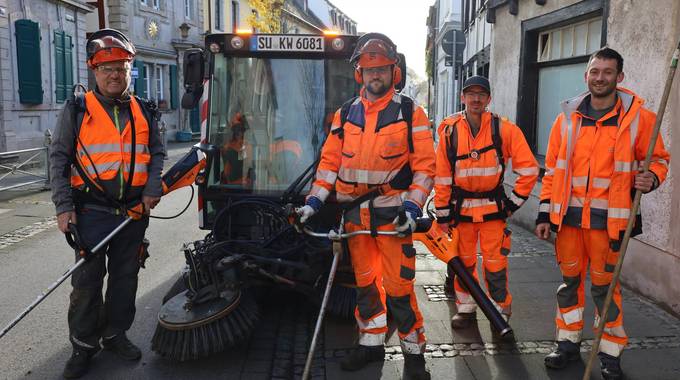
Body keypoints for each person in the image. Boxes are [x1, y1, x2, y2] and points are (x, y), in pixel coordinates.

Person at [297, 33, 435, 380]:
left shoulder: (410, 113)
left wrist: (414, 209)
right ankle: (370, 344)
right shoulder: (345, 115)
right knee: (367, 287)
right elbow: (328, 164)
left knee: (400, 291)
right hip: (355, 217)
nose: (375, 75)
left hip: (394, 217)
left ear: (394, 72)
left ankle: (415, 356)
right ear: (359, 72)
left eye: (382, 69)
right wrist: (314, 201)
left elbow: (425, 168)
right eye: (368, 69)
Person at [536, 47, 670, 380]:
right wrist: (543, 213)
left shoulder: (640, 119)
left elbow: (659, 160)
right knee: (569, 285)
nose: (600, 78)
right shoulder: (567, 118)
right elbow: (553, 170)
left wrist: (650, 177)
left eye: (607, 72)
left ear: (619, 77)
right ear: (586, 76)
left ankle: (610, 354)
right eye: (595, 72)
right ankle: (567, 343)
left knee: (605, 289)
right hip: (568, 221)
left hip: (609, 224)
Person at [49, 28, 164, 379]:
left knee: (125, 278)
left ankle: (116, 334)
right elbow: (58, 157)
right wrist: (63, 206)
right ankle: (83, 346)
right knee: (86, 283)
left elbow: (156, 152)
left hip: (132, 212)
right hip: (91, 212)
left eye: (121, 67)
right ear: (94, 71)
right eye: (107, 68)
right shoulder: (78, 107)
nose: (115, 74)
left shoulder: (143, 109)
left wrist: (152, 187)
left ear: (130, 69)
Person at [433, 75, 538, 331]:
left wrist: (512, 204)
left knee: (496, 265)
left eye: (481, 94)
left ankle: (501, 310)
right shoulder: (449, 130)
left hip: (493, 212)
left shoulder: (505, 129)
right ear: (463, 97)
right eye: (471, 94)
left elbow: (530, 169)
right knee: (463, 264)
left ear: (489, 98)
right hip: (461, 213)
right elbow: (442, 175)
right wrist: (443, 215)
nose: (476, 98)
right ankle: (466, 309)